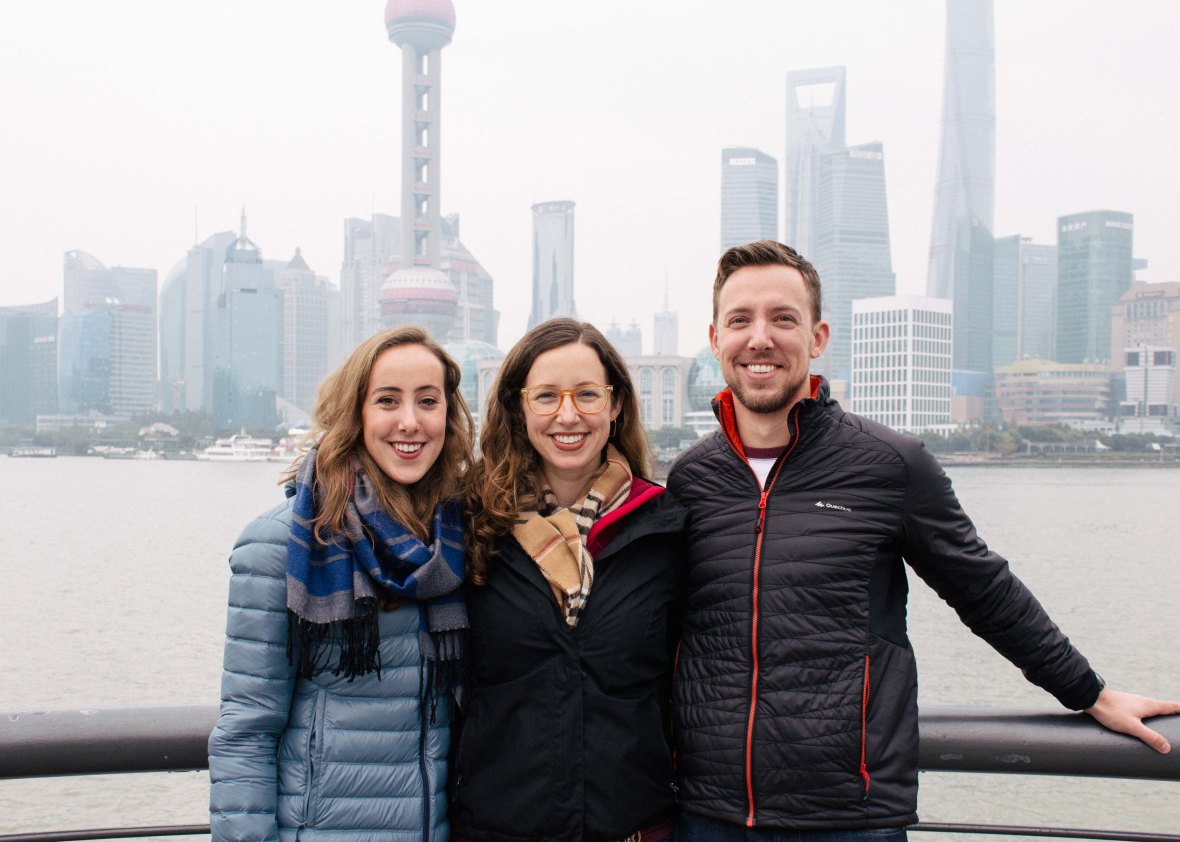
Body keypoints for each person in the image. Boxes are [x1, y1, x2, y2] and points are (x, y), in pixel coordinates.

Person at [667, 240, 1180, 840]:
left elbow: (984, 590)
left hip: (849, 816)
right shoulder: (691, 478)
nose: (760, 338)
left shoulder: (890, 464)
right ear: (715, 339)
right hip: (708, 811)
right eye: (740, 320)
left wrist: (1089, 692)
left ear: (818, 337)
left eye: (783, 318)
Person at [208, 326, 474, 842]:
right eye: (387, 400)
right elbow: (246, 731)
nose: (410, 421)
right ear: (356, 412)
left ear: (449, 414)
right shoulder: (284, 544)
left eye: (428, 401)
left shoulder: (460, 538)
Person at [452, 318, 685, 842]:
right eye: (546, 396)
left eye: (587, 394)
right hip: (497, 827)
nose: (568, 414)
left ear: (615, 404)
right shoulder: (470, 523)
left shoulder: (666, 528)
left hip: (633, 827)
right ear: (518, 407)